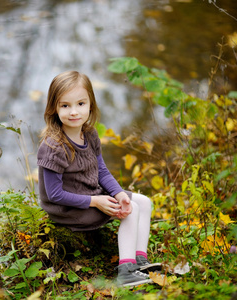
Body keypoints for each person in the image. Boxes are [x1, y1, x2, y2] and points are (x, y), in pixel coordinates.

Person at [37, 71, 160, 287]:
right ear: (53, 108)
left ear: (90, 105)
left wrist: (118, 193)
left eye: (80, 103)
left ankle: (140, 260)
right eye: (65, 106)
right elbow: (55, 195)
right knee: (132, 210)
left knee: (144, 202)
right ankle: (126, 270)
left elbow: (101, 171)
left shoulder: (90, 134)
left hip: (90, 195)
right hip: (68, 209)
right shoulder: (53, 147)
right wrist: (96, 202)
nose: (74, 112)